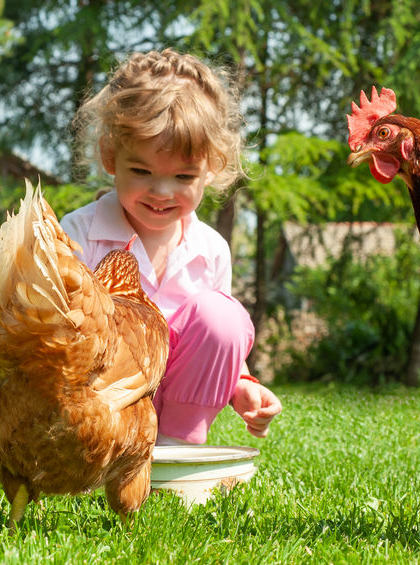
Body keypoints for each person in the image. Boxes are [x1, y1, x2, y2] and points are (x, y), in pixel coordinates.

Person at [61, 48, 282, 445]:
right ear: (111, 156)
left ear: (211, 168)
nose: (162, 192)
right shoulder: (77, 233)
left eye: (183, 175)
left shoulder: (210, 249)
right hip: (98, 416)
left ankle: (175, 450)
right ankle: (103, 455)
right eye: (141, 170)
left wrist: (242, 383)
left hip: (173, 418)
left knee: (222, 315)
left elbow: (219, 342)